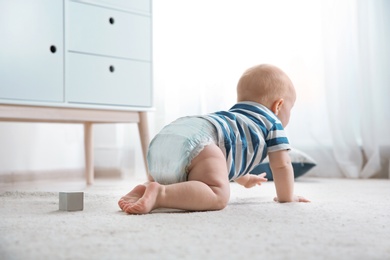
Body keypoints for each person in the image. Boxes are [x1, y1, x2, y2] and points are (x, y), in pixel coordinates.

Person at [118, 64, 310, 214]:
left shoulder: (233, 118)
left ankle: (145, 189)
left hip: (167, 139)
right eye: (289, 109)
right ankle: (161, 194)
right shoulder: (272, 123)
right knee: (218, 194)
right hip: (200, 142)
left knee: (186, 175)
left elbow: (229, 151)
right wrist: (287, 197)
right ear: (278, 105)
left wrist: (244, 178)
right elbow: (282, 166)